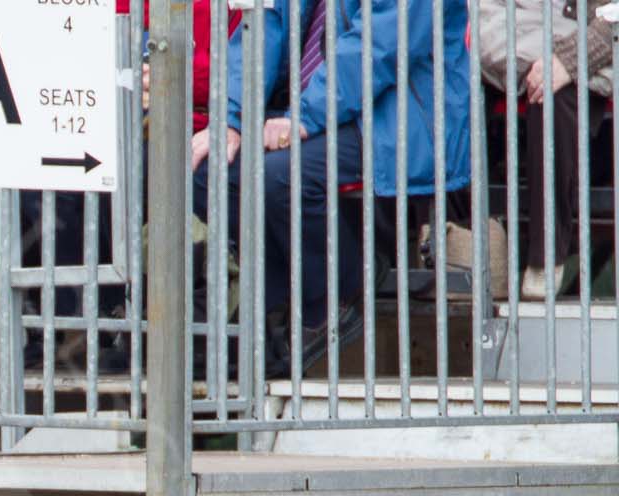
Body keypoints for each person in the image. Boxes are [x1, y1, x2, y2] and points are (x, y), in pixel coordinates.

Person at [191, 0, 472, 370]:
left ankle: (337, 291)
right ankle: (279, 304)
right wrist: (231, 117)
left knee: (280, 176)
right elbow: (262, 21)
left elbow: (380, 45)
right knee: (209, 174)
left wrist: (306, 116)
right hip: (321, 107)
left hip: (399, 115)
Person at [476, 0, 612, 300]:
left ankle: (546, 258)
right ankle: (459, 244)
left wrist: (569, 59)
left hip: (593, 41)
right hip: (510, 38)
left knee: (553, 93)